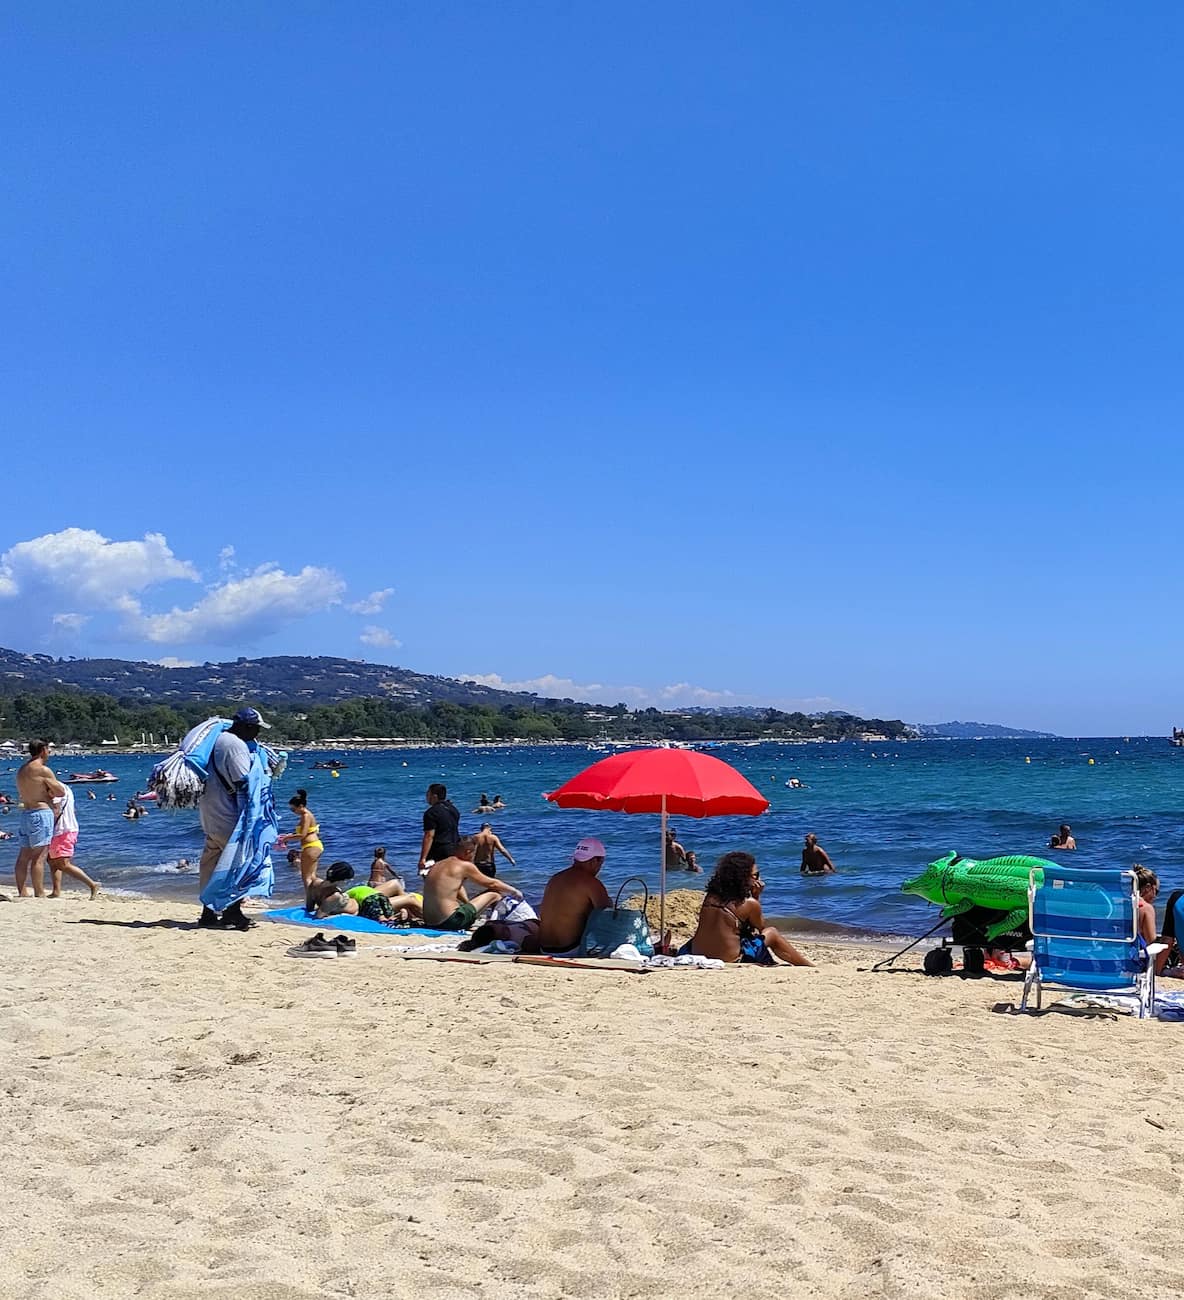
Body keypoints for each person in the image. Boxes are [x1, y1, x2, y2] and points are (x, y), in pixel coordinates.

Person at [196, 707, 276, 930]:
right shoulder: (235, 745)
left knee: (212, 864)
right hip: (230, 816)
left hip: (210, 813)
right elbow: (243, 781)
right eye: (257, 729)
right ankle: (232, 913)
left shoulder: (218, 740)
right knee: (237, 864)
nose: (258, 734)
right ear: (248, 727)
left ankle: (208, 913)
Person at [686, 851, 813, 966]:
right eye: (755, 875)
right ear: (743, 877)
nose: (758, 879)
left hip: (696, 952)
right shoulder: (749, 903)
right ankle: (806, 965)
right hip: (730, 958)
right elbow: (760, 928)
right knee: (772, 932)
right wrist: (756, 896)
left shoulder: (711, 897)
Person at [421, 835, 522, 931]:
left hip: (429, 922)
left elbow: (456, 888)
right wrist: (515, 891)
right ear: (468, 852)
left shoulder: (439, 864)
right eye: (473, 854)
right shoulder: (464, 865)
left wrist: (467, 903)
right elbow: (492, 883)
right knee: (494, 894)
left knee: (482, 897)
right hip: (451, 922)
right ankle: (495, 923)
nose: (473, 857)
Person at [537, 837, 611, 954]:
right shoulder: (591, 883)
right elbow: (608, 918)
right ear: (594, 861)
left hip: (543, 949)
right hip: (569, 950)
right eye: (601, 862)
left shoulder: (555, 879)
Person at [14, 740, 66, 898]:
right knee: (39, 856)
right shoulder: (43, 770)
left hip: (26, 813)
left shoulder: (22, 770)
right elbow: (61, 792)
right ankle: (39, 892)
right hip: (41, 812)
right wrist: (50, 787)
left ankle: (22, 891)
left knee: (24, 855)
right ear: (43, 750)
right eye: (48, 749)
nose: (49, 753)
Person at [48, 784, 100, 899]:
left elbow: (55, 811)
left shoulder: (55, 789)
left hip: (62, 830)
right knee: (52, 861)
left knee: (63, 863)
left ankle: (92, 884)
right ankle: (56, 891)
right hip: (66, 828)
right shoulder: (66, 788)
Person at [278, 788, 323, 889]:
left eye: (293, 809)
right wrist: (290, 836)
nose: (293, 812)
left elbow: (302, 835)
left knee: (306, 877)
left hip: (311, 846)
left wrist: (287, 838)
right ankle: (322, 893)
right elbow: (305, 832)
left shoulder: (306, 816)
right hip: (314, 846)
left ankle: (310, 900)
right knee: (312, 876)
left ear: (301, 806)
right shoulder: (307, 815)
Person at [418, 783, 460, 872]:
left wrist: (423, 858)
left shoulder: (431, 813)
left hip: (439, 850)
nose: (426, 797)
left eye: (428, 794)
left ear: (434, 796)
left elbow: (429, 836)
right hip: (455, 847)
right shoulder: (454, 809)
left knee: (434, 879)